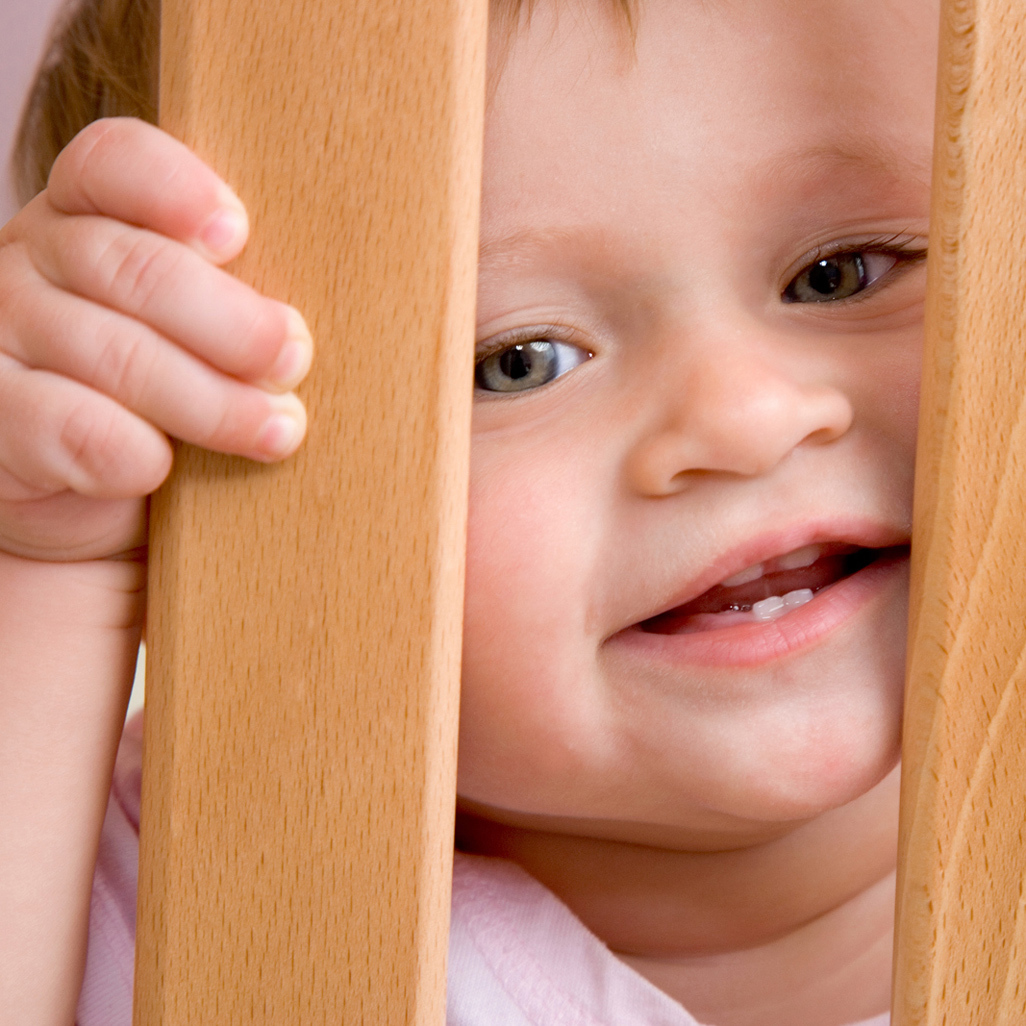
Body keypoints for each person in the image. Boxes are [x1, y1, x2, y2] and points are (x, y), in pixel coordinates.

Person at [0, 0, 940, 1022]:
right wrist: (53, 571)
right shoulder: (183, 888)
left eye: (838, 275)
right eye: (518, 362)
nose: (747, 419)